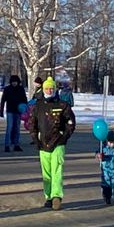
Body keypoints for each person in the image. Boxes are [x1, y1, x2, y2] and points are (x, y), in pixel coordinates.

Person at [30, 76, 76, 209]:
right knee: (46, 173)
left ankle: (56, 196)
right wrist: (35, 138)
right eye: (47, 88)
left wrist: (64, 137)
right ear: (43, 89)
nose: (49, 90)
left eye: (52, 88)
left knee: (57, 171)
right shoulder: (38, 105)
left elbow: (71, 123)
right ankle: (48, 197)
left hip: (58, 144)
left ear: (55, 90)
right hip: (43, 143)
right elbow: (32, 123)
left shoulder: (63, 105)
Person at [0, 74, 27, 152]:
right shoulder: (7, 89)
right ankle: (7, 145)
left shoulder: (21, 89)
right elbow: (3, 100)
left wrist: (25, 109)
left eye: (15, 82)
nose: (14, 83)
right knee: (9, 127)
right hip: (10, 111)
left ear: (18, 82)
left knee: (17, 128)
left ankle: (16, 144)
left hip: (18, 111)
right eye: (13, 82)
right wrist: (1, 111)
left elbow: (24, 99)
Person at [97, 130, 114, 204]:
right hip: (106, 172)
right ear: (107, 141)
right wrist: (99, 155)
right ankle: (107, 197)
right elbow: (98, 154)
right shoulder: (103, 148)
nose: (112, 144)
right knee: (106, 186)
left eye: (113, 142)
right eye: (110, 142)